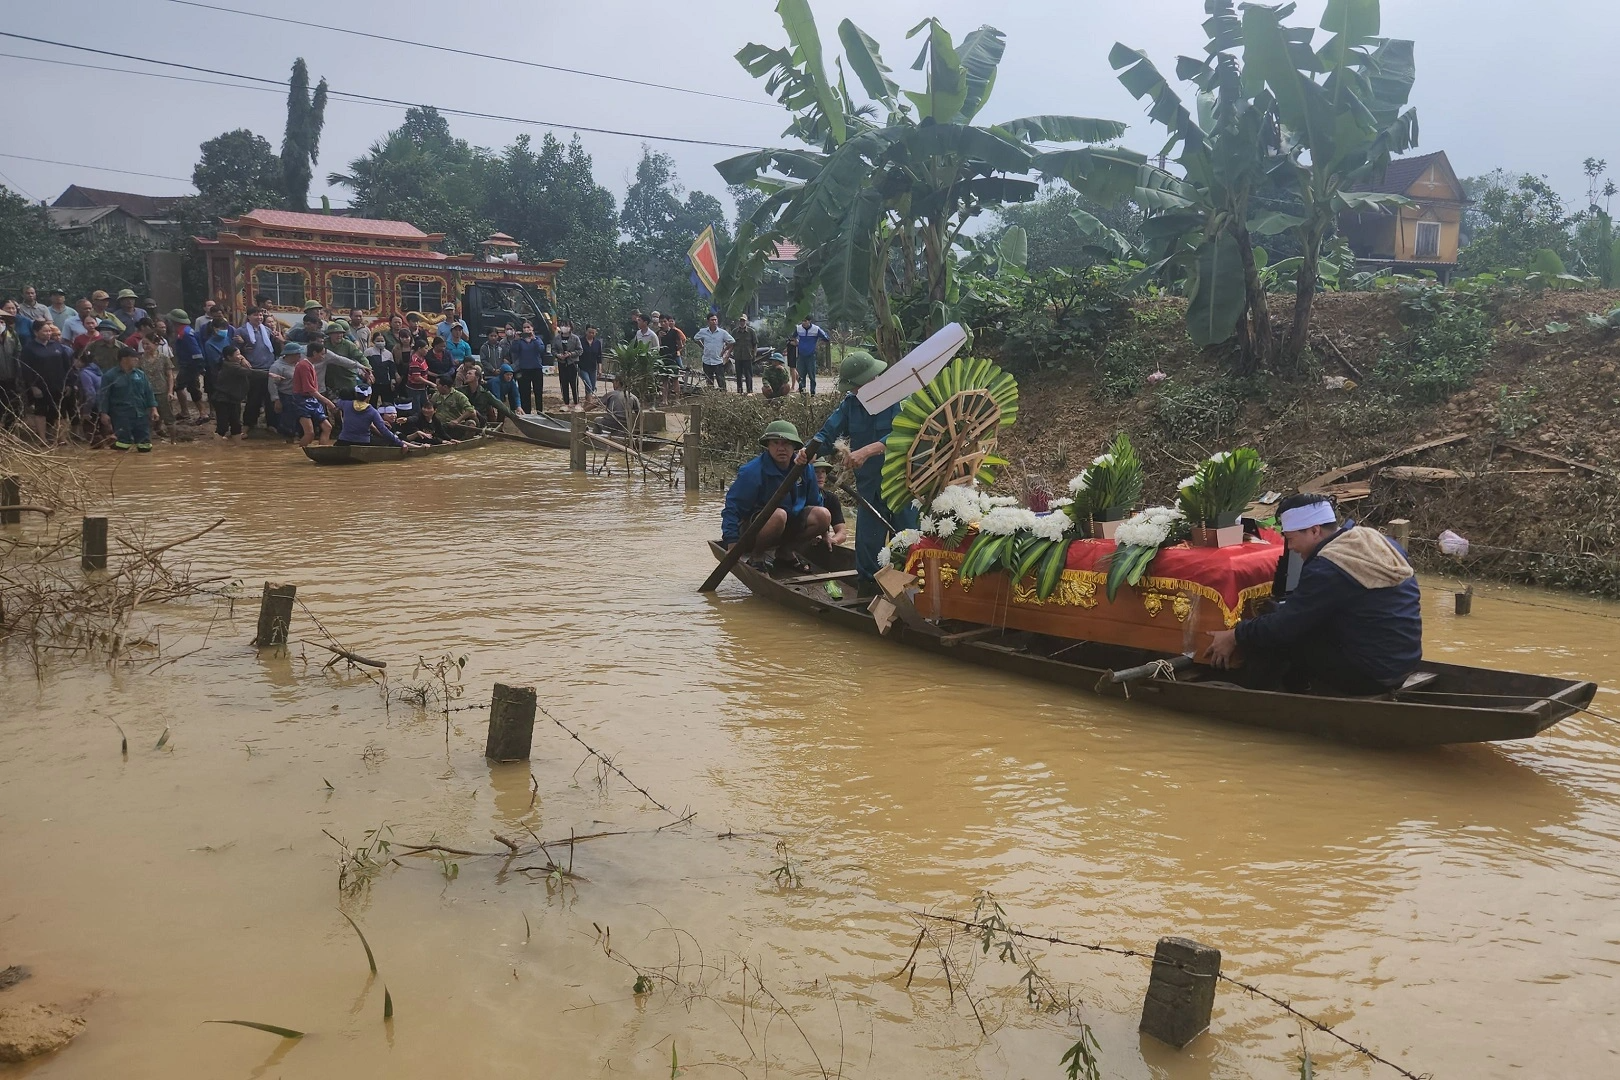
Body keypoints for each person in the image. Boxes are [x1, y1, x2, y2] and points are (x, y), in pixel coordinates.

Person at [1205, 494, 1423, 695]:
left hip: (1371, 675)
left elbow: (1283, 628)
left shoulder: (1328, 567)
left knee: (1277, 637)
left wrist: (1235, 634)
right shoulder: (1378, 542)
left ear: (1315, 531)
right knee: (1281, 618)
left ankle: (1266, 697)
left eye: (1290, 539)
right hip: (1405, 662)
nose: (1290, 547)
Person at [800, 350, 917, 594]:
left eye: (855, 387)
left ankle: (914, 595)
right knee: (868, 549)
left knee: (910, 545)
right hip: (869, 490)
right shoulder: (851, 405)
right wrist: (809, 450)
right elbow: (827, 433)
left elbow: (905, 434)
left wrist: (867, 451)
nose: (852, 392)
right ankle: (868, 598)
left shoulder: (899, 398)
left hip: (902, 488)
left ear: (871, 380)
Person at [722, 420, 830, 572]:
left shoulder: (805, 468)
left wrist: (825, 532)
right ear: (768, 445)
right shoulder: (752, 471)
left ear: (794, 447)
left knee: (823, 515)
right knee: (778, 515)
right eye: (775, 443)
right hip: (755, 530)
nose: (781, 448)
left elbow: (815, 502)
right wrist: (732, 543)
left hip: (789, 525)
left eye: (786, 443)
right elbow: (732, 508)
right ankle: (757, 556)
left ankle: (786, 551)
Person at [21, 320, 77, 444]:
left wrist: (69, 383)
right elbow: (26, 369)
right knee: (41, 411)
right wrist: (33, 386)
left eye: (49, 331)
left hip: (59, 384)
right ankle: (42, 438)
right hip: (40, 386)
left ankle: (61, 438)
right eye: (45, 331)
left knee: (60, 412)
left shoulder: (57, 346)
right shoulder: (29, 348)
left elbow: (67, 366)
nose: (48, 333)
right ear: (36, 332)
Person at [97, 346, 160, 452]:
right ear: (124, 359)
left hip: (140, 414)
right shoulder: (110, 376)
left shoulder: (140, 374)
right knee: (123, 444)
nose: (137, 360)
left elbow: (148, 392)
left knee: (145, 445)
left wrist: (154, 409)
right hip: (121, 415)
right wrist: (103, 413)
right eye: (134, 358)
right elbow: (104, 396)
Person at [234, 306, 282, 431]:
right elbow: (234, 350)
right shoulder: (241, 331)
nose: (259, 317)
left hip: (269, 367)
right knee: (253, 397)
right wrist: (243, 357)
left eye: (260, 315)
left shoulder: (266, 330)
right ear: (248, 316)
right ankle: (249, 423)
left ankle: (272, 423)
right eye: (256, 315)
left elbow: (275, 348)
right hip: (253, 369)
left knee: (270, 397)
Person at [289, 343, 333, 446]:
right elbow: (309, 389)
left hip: (312, 399)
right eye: (321, 354)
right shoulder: (303, 366)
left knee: (327, 427)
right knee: (309, 433)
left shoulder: (309, 365)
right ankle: (303, 456)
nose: (323, 357)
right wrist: (327, 401)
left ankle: (322, 452)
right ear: (314, 353)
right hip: (301, 400)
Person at [169, 309, 208, 424]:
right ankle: (199, 413)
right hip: (189, 365)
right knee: (192, 388)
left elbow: (195, 350)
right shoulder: (186, 331)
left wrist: (199, 365)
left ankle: (190, 412)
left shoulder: (185, 333)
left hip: (189, 365)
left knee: (180, 386)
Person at [136, 328, 176, 439]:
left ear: (156, 344)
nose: (145, 347)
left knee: (168, 418)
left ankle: (173, 441)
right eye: (143, 344)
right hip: (145, 393)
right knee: (146, 419)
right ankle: (147, 441)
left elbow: (170, 376)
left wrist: (170, 391)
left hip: (162, 392)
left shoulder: (164, 359)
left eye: (147, 344)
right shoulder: (140, 360)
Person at [334, 384, 406, 447]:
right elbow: (384, 430)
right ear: (369, 396)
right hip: (362, 443)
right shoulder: (373, 411)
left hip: (343, 441)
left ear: (356, 394)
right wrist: (400, 443)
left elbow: (335, 404)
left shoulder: (345, 404)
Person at [210, 344, 251, 441]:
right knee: (222, 426)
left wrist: (243, 359)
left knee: (236, 425)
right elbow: (251, 372)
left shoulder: (235, 364)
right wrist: (269, 374)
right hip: (222, 399)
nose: (240, 356)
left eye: (240, 354)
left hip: (234, 398)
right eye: (237, 354)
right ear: (229, 357)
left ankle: (237, 451)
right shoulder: (230, 367)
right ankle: (216, 451)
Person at [269, 342, 305, 440]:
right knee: (287, 423)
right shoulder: (277, 367)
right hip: (285, 396)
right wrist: (276, 400)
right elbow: (272, 385)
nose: (300, 356)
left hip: (298, 396)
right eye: (298, 355)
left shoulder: (298, 364)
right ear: (291, 355)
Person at [508, 320, 546, 413]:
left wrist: (534, 339)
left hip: (536, 369)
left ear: (532, 328)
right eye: (524, 327)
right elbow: (514, 350)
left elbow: (541, 349)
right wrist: (516, 340)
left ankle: (539, 411)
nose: (526, 329)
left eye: (528, 327)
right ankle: (526, 412)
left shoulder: (538, 339)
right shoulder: (520, 341)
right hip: (524, 369)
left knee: (538, 391)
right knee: (524, 392)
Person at [810, 459, 849, 548]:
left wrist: (833, 540)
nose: (820, 476)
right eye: (816, 472)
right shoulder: (797, 495)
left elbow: (842, 532)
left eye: (823, 472)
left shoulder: (831, 499)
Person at [693, 312, 733, 392]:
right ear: (708, 322)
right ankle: (711, 396)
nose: (714, 322)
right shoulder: (703, 331)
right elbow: (696, 338)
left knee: (721, 380)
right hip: (707, 360)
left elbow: (732, 341)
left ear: (717, 321)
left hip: (717, 360)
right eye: (712, 320)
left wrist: (724, 351)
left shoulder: (722, 333)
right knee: (709, 381)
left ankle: (723, 396)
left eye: (715, 320)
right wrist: (702, 347)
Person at [790, 316, 829, 394]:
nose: (803, 323)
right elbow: (792, 337)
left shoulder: (816, 329)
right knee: (801, 376)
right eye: (802, 321)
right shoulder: (799, 328)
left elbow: (826, 338)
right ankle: (802, 393)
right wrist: (797, 342)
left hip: (811, 355)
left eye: (805, 321)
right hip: (801, 355)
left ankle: (812, 393)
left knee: (812, 376)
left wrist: (818, 344)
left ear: (809, 321)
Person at [551, 319, 583, 410]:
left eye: (566, 325)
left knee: (574, 384)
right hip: (562, 363)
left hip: (572, 363)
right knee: (563, 383)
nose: (564, 327)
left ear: (571, 327)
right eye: (563, 325)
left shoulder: (575, 338)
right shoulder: (557, 338)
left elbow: (580, 350)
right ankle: (566, 403)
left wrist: (571, 354)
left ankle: (577, 402)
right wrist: (558, 355)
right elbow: (553, 350)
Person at [0, 303, 21, 429]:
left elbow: (18, 352)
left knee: (12, 404)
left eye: (2, 320)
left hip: (11, 377)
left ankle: (10, 431)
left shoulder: (12, 334)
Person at [732, 313, 757, 394]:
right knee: (738, 375)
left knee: (748, 375)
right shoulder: (734, 332)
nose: (742, 322)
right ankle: (739, 390)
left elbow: (755, 344)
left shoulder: (751, 331)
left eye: (743, 320)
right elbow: (731, 343)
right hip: (738, 356)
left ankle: (749, 390)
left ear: (746, 321)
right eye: (741, 321)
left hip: (748, 356)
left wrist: (754, 355)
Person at [578, 325, 603, 403]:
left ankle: (587, 399)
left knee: (592, 387)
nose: (591, 334)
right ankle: (590, 402)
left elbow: (599, 357)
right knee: (589, 385)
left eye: (593, 333)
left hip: (593, 368)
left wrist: (600, 369)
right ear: (586, 332)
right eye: (589, 332)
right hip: (582, 368)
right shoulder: (580, 341)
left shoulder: (597, 343)